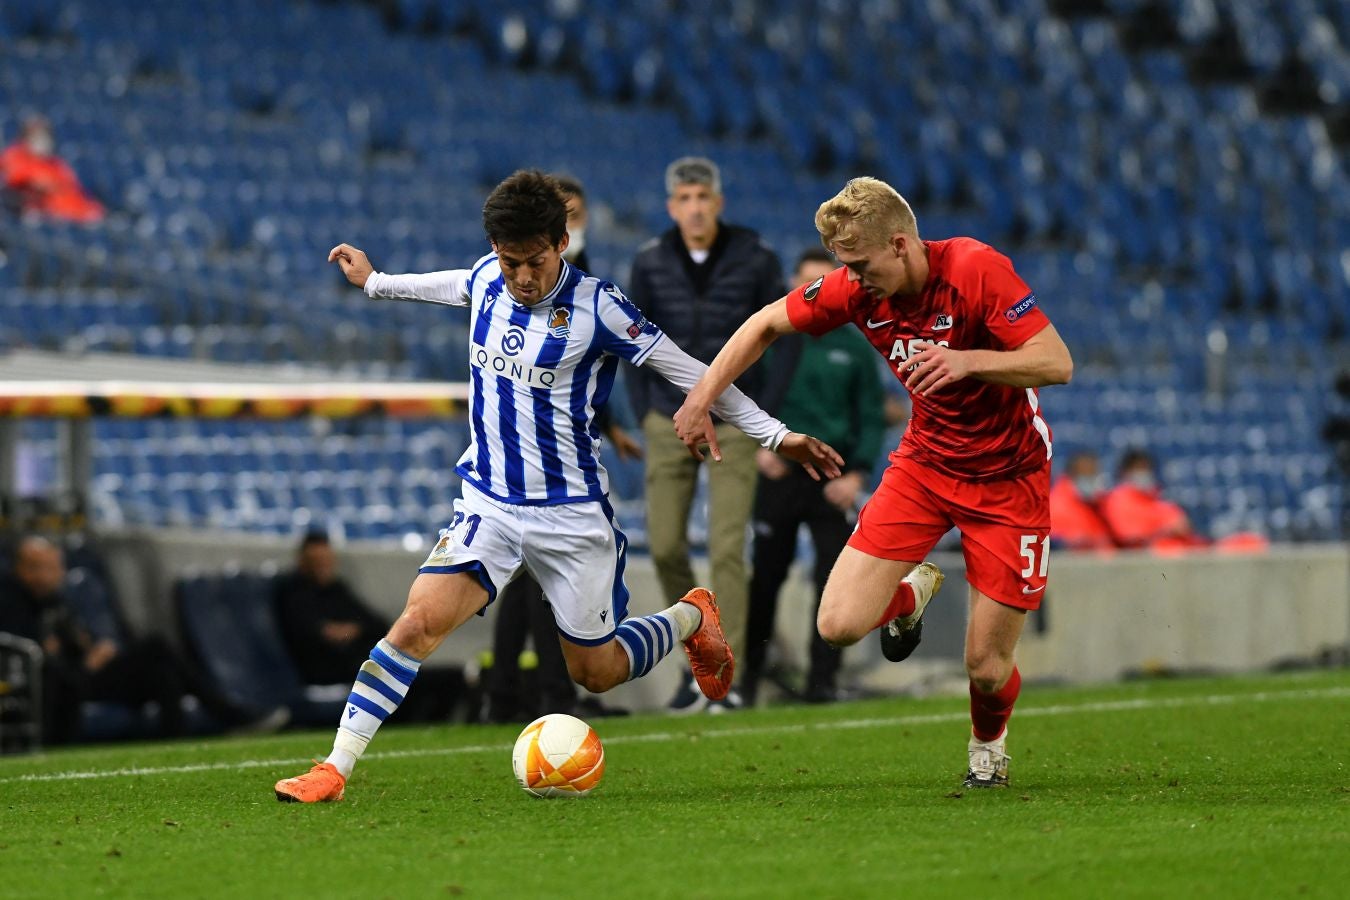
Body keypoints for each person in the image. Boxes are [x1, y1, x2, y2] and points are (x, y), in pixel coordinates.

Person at [274, 170, 841, 802]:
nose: (520, 276)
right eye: (509, 261)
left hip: (570, 518)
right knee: (415, 624)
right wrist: (375, 282)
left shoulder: (600, 307)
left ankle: (689, 617)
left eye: (534, 262)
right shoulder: (489, 279)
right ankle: (335, 768)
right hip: (488, 505)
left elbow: (690, 372)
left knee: (595, 673)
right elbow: (450, 284)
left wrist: (774, 435)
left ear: (563, 241)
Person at [673, 177, 1073, 788]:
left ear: (900, 244)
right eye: (844, 266)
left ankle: (987, 746)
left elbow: (1056, 361)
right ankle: (908, 598)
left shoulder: (975, 268)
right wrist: (703, 397)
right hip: (926, 466)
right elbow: (764, 323)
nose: (852, 279)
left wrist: (969, 360)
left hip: (1007, 477)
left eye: (860, 264)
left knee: (986, 668)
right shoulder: (857, 288)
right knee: (835, 625)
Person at [627, 156, 792, 711]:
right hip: (667, 417)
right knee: (667, 543)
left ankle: (732, 678)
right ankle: (692, 664)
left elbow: (785, 337)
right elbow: (627, 340)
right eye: (685, 199)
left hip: (733, 417)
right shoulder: (650, 261)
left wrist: (762, 412)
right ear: (672, 207)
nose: (695, 207)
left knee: (727, 547)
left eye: (704, 197)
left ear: (717, 202)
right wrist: (646, 408)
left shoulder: (756, 257)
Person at [741, 248, 886, 706]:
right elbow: (748, 399)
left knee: (833, 580)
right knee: (764, 578)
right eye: (806, 282)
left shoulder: (856, 349)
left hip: (832, 480)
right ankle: (748, 680)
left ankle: (821, 682)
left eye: (823, 282)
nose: (814, 292)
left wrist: (857, 473)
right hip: (780, 472)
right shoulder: (775, 340)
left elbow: (870, 415)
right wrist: (762, 448)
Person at [0, 536, 286, 744]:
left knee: (161, 668)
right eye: (35, 567)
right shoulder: (11, 599)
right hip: (61, 684)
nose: (44, 576)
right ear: (19, 569)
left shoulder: (56, 602)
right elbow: (33, 653)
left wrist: (92, 650)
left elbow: (71, 642)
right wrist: (85, 660)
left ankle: (176, 741)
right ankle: (230, 715)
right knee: (155, 648)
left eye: (51, 568)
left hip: (82, 676)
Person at [274, 531, 468, 722]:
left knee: (450, 678)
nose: (324, 567)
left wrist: (351, 631)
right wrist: (349, 632)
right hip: (332, 672)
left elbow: (378, 624)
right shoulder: (293, 593)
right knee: (422, 683)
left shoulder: (337, 590)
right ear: (303, 562)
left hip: (363, 662)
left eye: (327, 561)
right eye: (317, 562)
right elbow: (315, 634)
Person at [0, 116, 105, 223]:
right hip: (45, 215)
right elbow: (16, 181)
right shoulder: (15, 155)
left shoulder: (56, 164)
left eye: (46, 137)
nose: (44, 142)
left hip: (73, 213)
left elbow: (72, 189)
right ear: (26, 138)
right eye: (38, 137)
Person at [1099, 448, 1200, 551]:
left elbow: (1183, 525)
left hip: (1185, 550)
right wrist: (1167, 531)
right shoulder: (1118, 499)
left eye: (1146, 468)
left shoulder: (1158, 498)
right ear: (1125, 471)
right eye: (1138, 468)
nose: (1143, 472)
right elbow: (1129, 538)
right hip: (1152, 556)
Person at [1048, 451, 1115, 550]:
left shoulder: (1100, 502)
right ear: (1071, 474)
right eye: (1086, 474)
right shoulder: (1054, 505)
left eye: (1094, 473)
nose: (1091, 478)